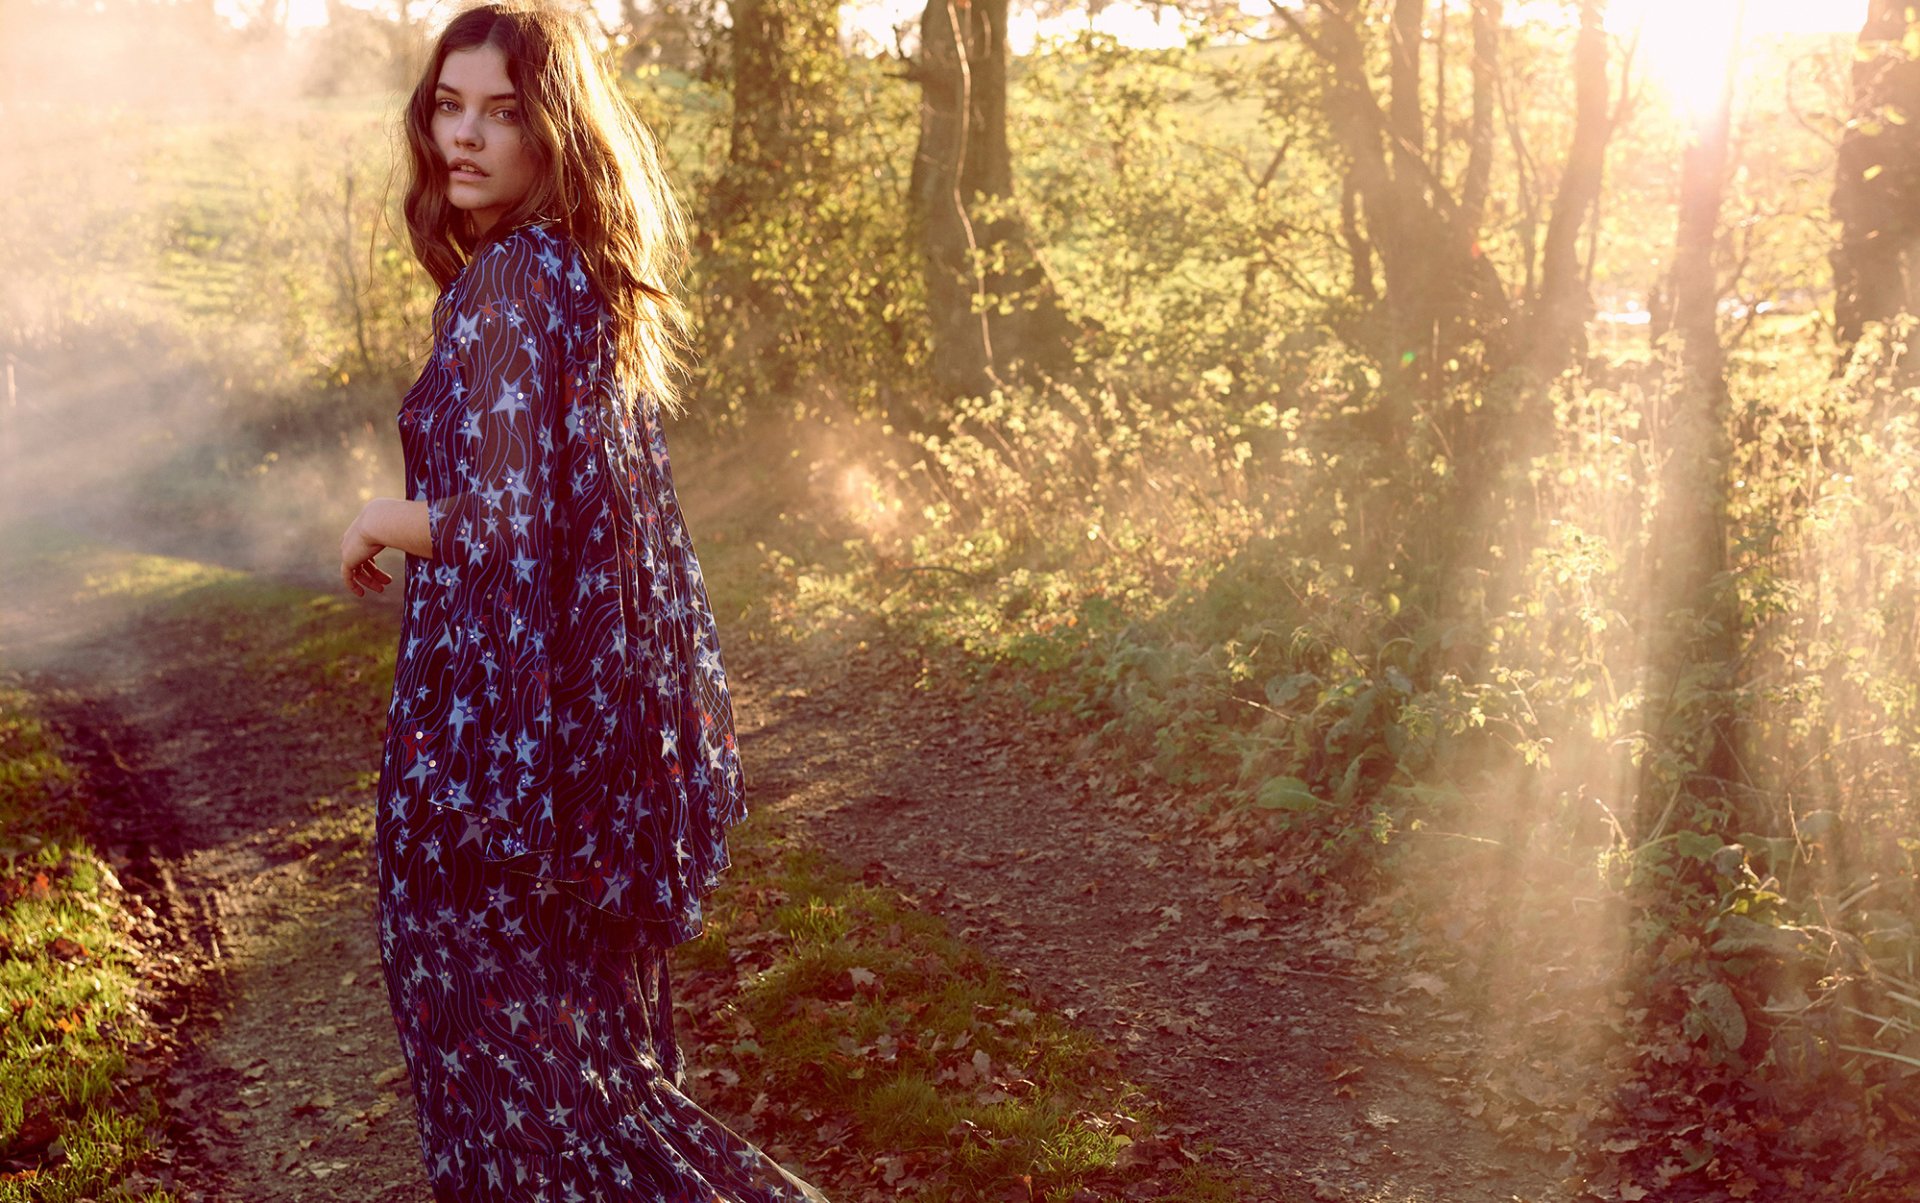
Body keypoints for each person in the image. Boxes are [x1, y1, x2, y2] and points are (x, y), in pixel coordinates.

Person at [336, 5, 832, 1200]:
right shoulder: (571, 276)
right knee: (594, 1102)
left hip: (489, 791)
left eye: (503, 113)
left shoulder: (509, 285)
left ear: (553, 132)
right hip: (566, 777)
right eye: (449, 106)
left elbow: (511, 526)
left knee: (533, 1130)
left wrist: (382, 521)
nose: (466, 137)